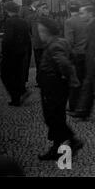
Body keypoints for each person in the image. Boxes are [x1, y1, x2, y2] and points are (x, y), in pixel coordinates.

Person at [36, 17, 83, 160]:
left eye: (40, 31)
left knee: (52, 118)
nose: (39, 34)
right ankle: (56, 148)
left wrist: (69, 78)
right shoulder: (62, 41)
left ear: (46, 32)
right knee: (57, 116)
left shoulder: (54, 45)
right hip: (57, 85)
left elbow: (64, 63)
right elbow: (73, 57)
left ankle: (73, 140)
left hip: (53, 86)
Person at [0, 1, 31, 106]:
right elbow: (27, 38)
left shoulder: (9, 22)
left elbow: (7, 40)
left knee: (5, 75)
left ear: (7, 10)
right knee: (17, 75)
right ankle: (18, 95)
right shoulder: (23, 21)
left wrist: (3, 53)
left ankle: (17, 95)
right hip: (21, 52)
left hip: (10, 53)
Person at [64, 0, 88, 112]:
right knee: (84, 80)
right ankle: (83, 105)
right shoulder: (85, 20)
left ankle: (74, 106)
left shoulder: (69, 22)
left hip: (76, 55)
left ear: (69, 9)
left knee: (74, 81)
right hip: (86, 54)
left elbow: (69, 42)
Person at [19, 0, 41, 87]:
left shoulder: (38, 11)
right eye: (39, 2)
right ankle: (23, 81)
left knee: (38, 59)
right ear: (35, 2)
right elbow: (20, 22)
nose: (39, 4)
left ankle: (39, 80)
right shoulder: (24, 9)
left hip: (37, 39)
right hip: (26, 39)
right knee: (25, 60)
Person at [31, 2, 50, 86]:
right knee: (39, 63)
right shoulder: (34, 19)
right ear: (39, 9)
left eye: (47, 8)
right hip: (38, 45)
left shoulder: (48, 19)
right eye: (44, 8)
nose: (46, 10)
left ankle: (45, 80)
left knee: (46, 63)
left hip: (46, 45)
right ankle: (40, 81)